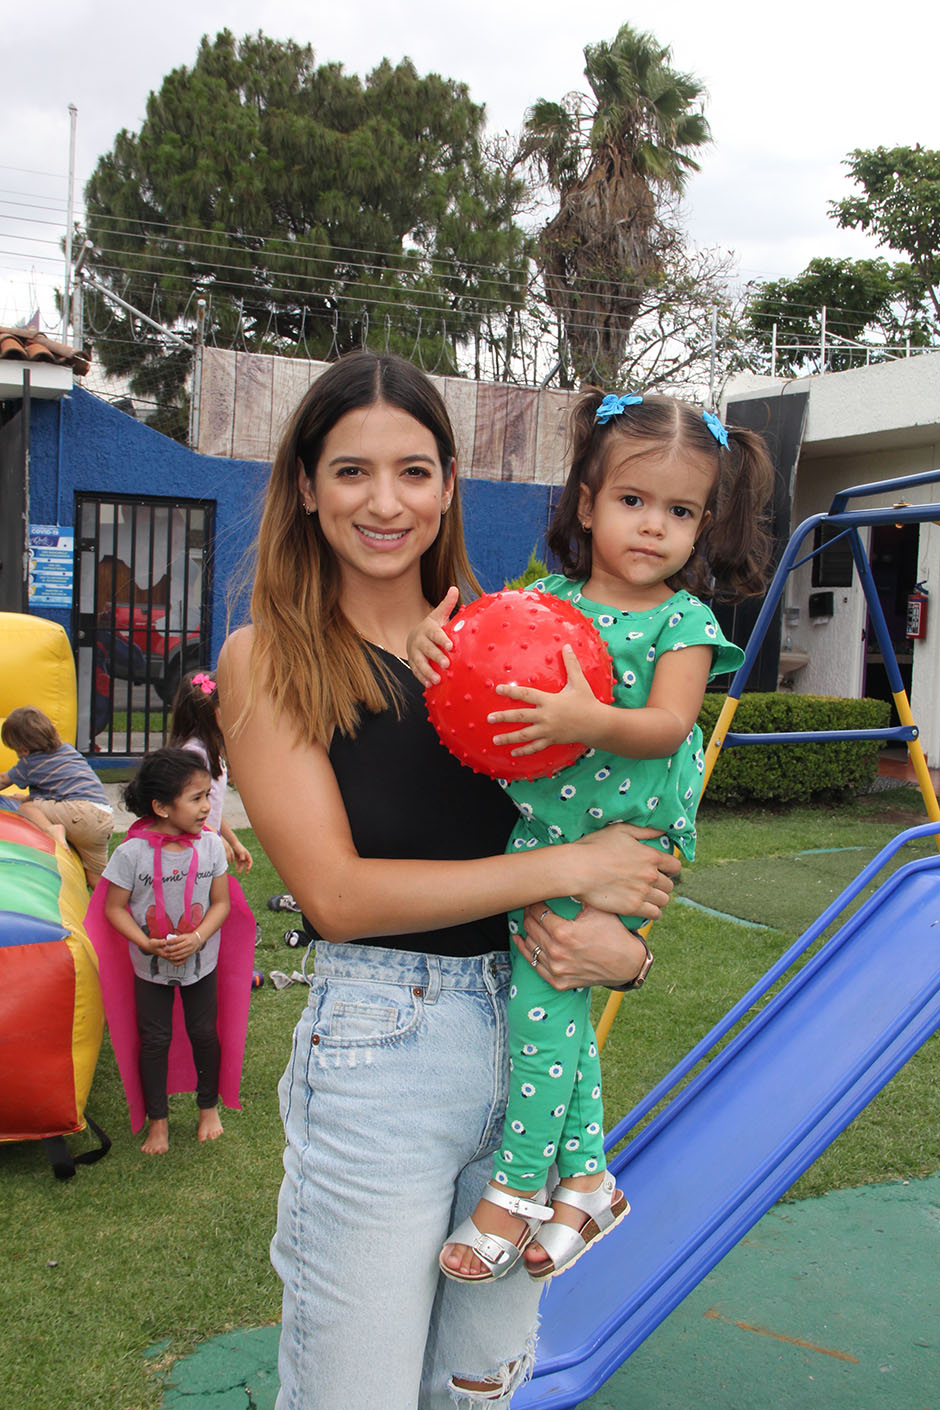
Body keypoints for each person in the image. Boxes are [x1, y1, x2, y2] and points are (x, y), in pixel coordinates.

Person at [216, 352, 681, 1410]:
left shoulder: (517, 633)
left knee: (478, 1389)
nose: (386, 504)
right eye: (351, 472)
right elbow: (336, 895)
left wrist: (627, 948)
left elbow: (620, 818)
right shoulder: (270, 658)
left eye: (414, 472)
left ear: (450, 482)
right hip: (383, 1053)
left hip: (534, 1047)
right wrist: (565, 869)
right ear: (304, 485)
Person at [408, 389, 773, 1285]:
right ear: (586, 503)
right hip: (546, 840)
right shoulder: (546, 601)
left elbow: (667, 725)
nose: (653, 527)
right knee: (560, 1008)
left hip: (629, 846)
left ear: (703, 527)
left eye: (679, 512)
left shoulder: (681, 624)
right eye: (633, 501)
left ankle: (517, 1189)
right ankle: (589, 1179)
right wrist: (435, 647)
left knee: (542, 1012)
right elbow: (486, 671)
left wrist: (588, 714)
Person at [101, 747, 231, 1155]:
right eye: (196, 798)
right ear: (160, 806)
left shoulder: (210, 847)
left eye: (208, 796)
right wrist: (143, 942)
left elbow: (221, 904)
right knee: (154, 1040)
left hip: (201, 963)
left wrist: (198, 938)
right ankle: (159, 1122)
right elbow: (114, 908)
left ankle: (208, 1107)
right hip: (149, 969)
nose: (207, 807)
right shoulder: (131, 853)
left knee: (204, 1033)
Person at [0, 705, 114, 887]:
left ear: (23, 748)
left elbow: (3, 780)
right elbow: (61, 788)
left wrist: (27, 802)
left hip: (79, 813)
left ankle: (51, 829)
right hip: (102, 817)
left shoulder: (29, 763)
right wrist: (27, 797)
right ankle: (117, 911)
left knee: (27, 809)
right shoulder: (66, 751)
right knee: (97, 880)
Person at [169, 669, 253, 874]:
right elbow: (184, 808)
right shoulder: (194, 754)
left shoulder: (209, 751)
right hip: (190, 848)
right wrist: (212, 836)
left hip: (205, 844)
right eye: (226, 707)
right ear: (209, 712)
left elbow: (209, 804)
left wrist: (232, 840)